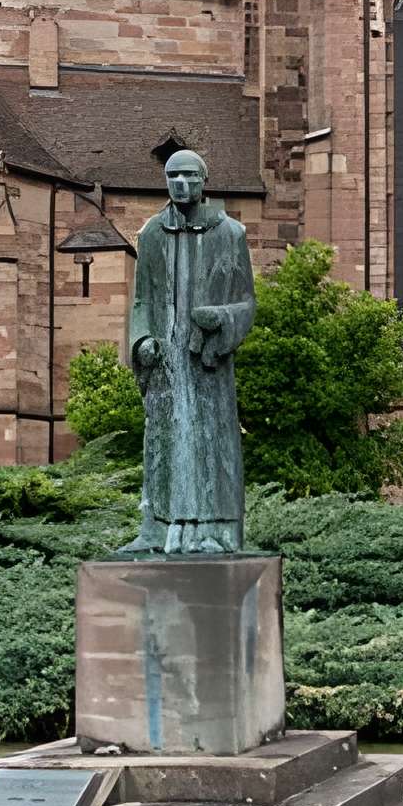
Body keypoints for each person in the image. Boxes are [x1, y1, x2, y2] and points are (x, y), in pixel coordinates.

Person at [116, 149, 256, 557]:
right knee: (161, 442)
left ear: (203, 181)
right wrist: (141, 342)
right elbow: (141, 301)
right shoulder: (152, 235)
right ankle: (156, 529)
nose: (180, 184)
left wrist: (220, 319)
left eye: (189, 176)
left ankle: (214, 530)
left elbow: (247, 303)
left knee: (212, 442)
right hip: (165, 364)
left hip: (206, 363)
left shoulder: (231, 234)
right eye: (173, 176)